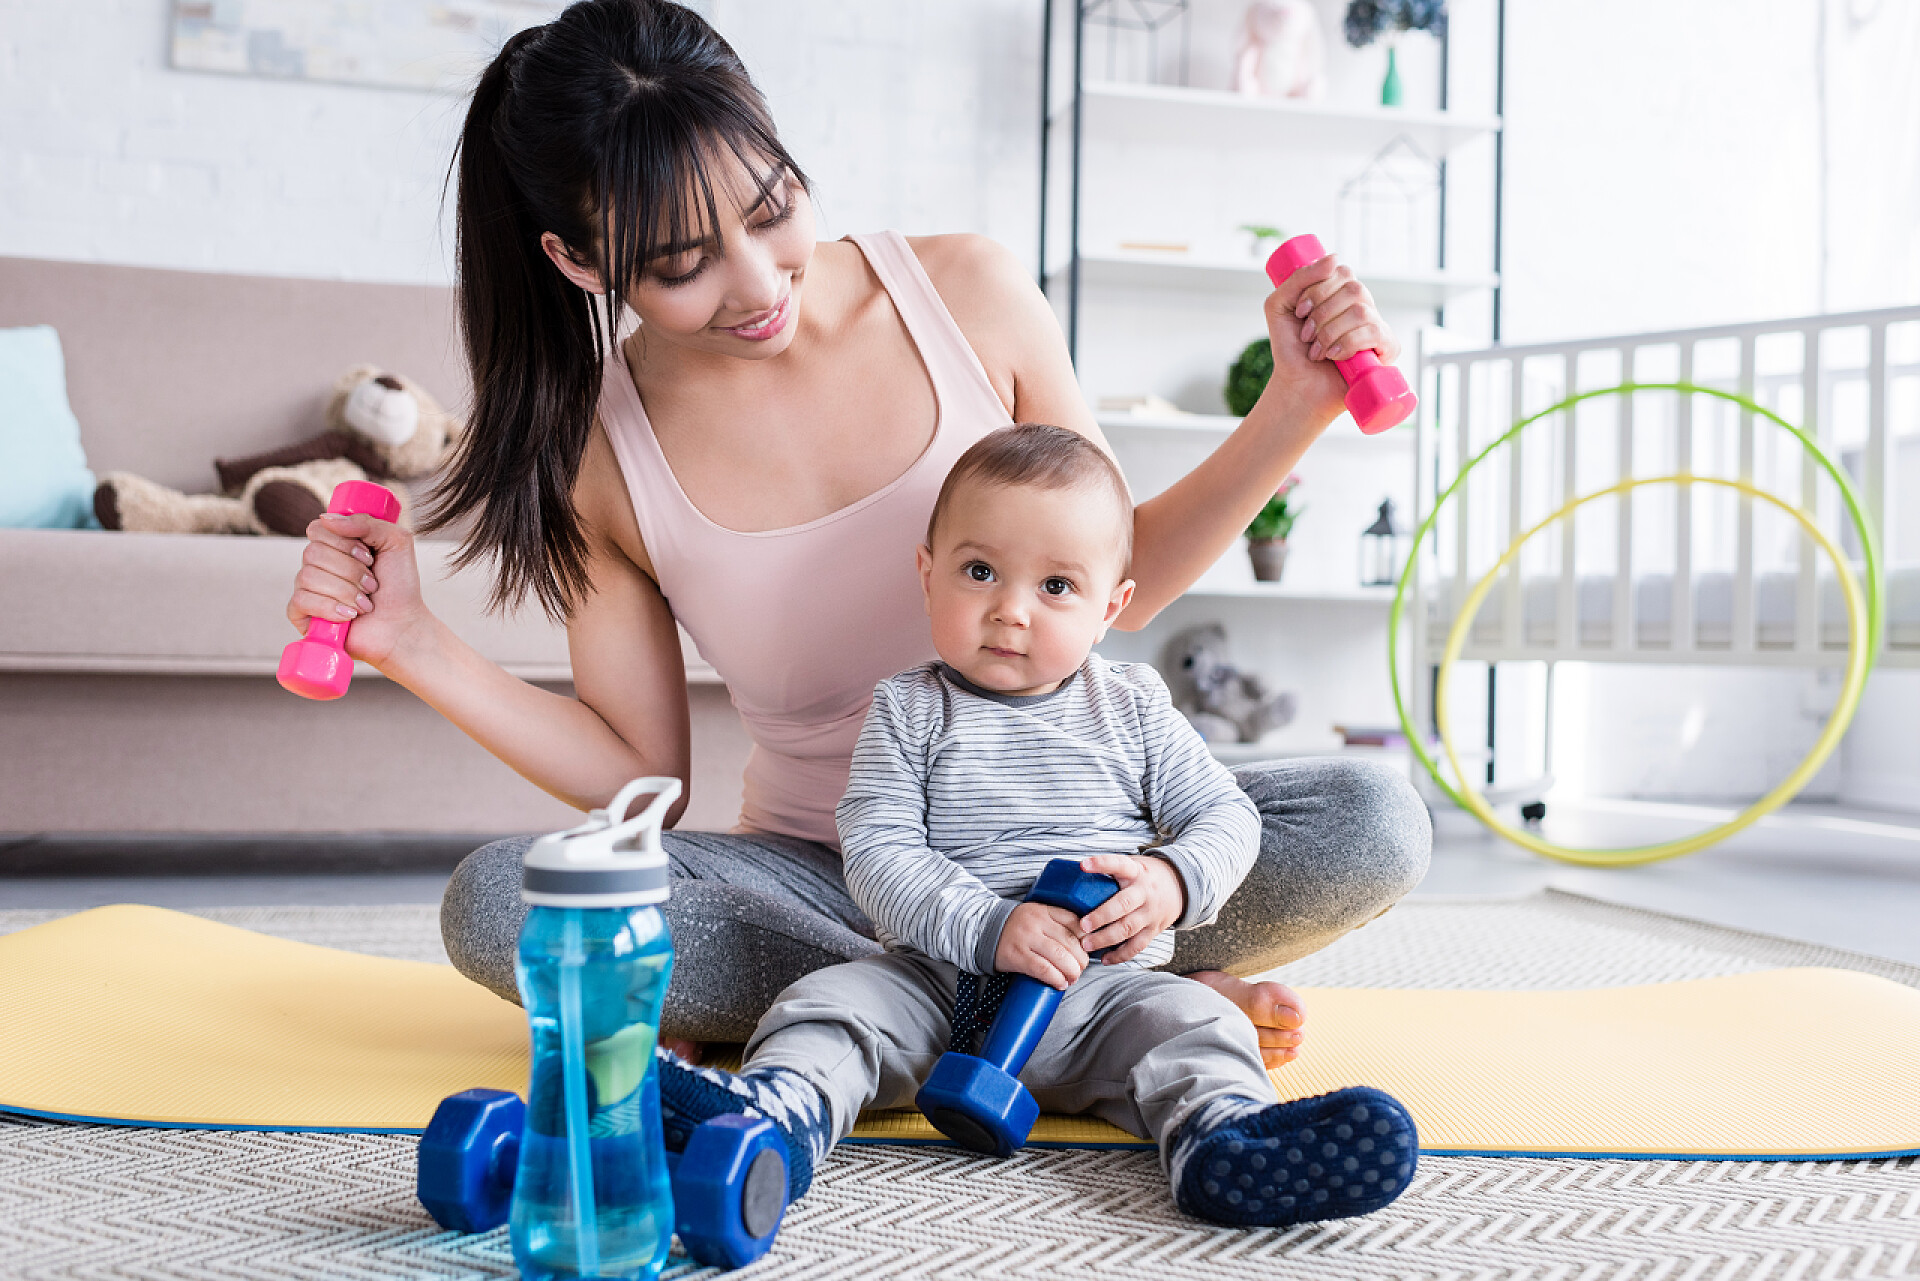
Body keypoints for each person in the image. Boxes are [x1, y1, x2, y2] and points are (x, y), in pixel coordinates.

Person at [284, 0, 1430, 1063]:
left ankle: (923, 1007)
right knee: (504, 903)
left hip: (1083, 851)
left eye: (773, 208)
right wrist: (412, 645)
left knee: (1373, 818)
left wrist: (1295, 406)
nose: (755, 283)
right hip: (833, 880)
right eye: (681, 266)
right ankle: (1087, 1006)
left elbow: (1119, 568)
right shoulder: (596, 447)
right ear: (580, 261)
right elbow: (643, 777)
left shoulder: (966, 290)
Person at [646, 423, 1419, 1228]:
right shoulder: (908, 710)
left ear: (1111, 605)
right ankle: (773, 1119)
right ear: (927, 574)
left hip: (1104, 994)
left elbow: (1224, 813)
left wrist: (1170, 881)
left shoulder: (1134, 706)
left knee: (1199, 1024)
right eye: (980, 571)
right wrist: (989, 924)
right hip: (936, 984)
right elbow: (878, 852)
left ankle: (1221, 1142)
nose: (1010, 610)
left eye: (1055, 586)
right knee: (832, 1002)